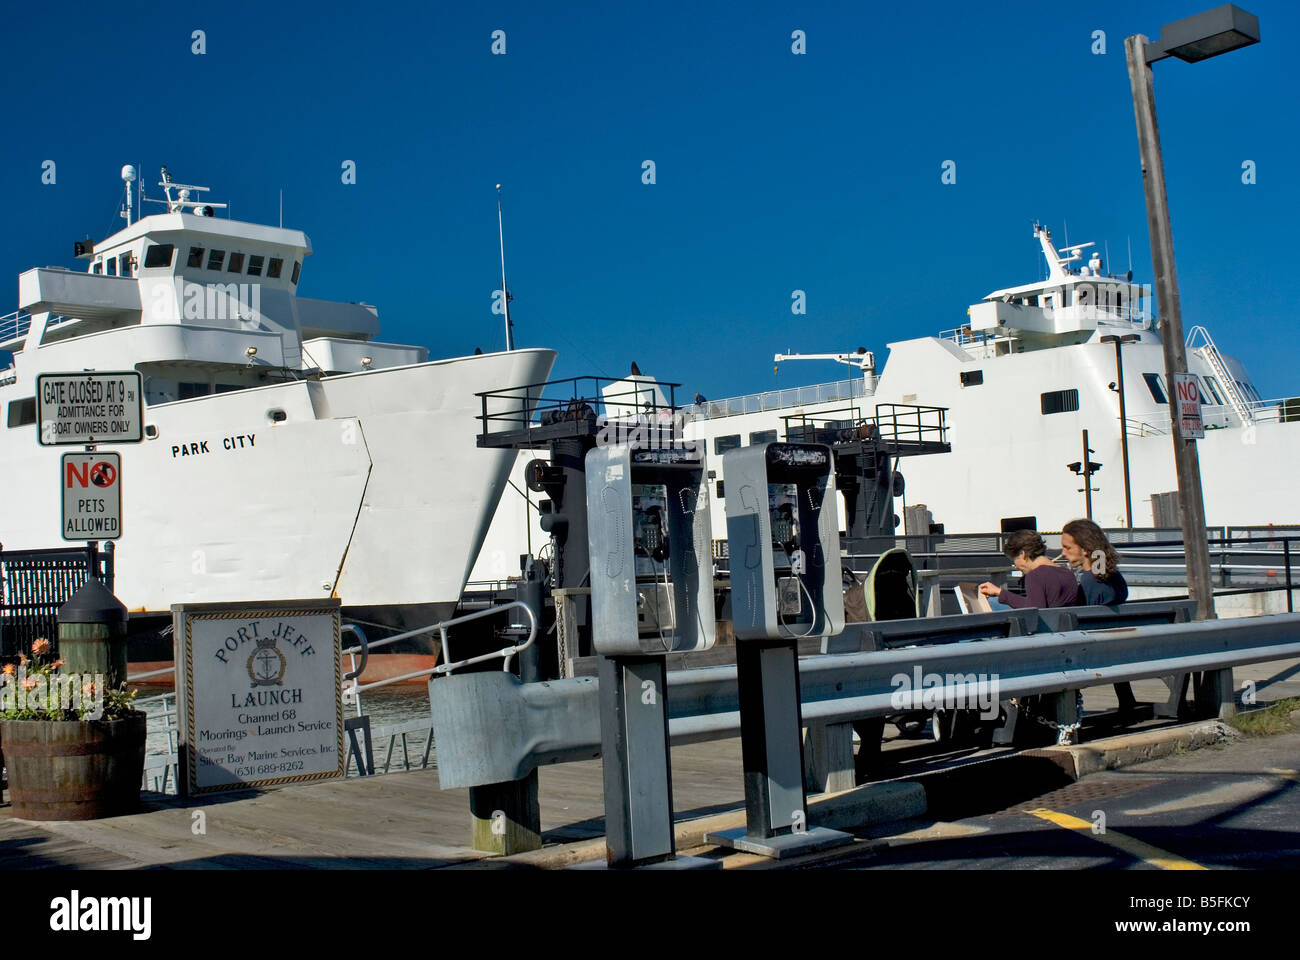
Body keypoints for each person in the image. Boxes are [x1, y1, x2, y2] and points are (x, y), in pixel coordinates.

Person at [979, 529, 1077, 608]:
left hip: (1047, 629)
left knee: (993, 602)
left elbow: (1033, 609)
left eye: (1014, 560)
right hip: (1067, 628)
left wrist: (999, 592)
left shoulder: (1035, 575)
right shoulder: (1067, 572)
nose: (1016, 566)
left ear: (1023, 554)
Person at [1060, 518, 1128, 605]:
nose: (1063, 553)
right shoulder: (1113, 575)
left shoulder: (1091, 581)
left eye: (1068, 548)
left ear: (1085, 548)